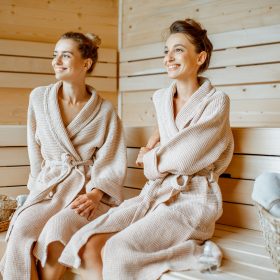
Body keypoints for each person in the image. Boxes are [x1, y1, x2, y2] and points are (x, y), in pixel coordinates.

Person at [59, 18, 234, 280]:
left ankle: (192, 253)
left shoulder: (216, 101)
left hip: (192, 200)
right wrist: (158, 151)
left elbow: (186, 159)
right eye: (166, 51)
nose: (169, 58)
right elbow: (172, 144)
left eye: (178, 49)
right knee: (86, 242)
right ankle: (190, 252)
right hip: (154, 193)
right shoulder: (162, 98)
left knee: (118, 249)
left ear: (200, 58)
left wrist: (151, 158)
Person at [0, 31, 127, 280]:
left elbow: (110, 159)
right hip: (49, 188)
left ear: (85, 63)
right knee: (22, 230)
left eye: (65, 55)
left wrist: (95, 193)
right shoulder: (39, 98)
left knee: (57, 229)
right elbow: (34, 151)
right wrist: (37, 189)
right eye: (55, 55)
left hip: (86, 193)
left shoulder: (104, 111)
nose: (57, 61)